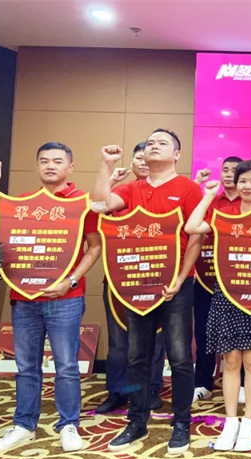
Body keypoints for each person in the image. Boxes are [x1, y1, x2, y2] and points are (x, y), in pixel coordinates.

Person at [0, 143, 101, 453]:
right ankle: (24, 425)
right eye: (44, 161)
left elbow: (95, 246)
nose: (50, 166)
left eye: (57, 161)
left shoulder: (81, 203)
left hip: (66, 297)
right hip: (24, 298)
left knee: (67, 366)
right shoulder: (23, 203)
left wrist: (71, 280)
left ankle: (69, 424)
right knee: (25, 366)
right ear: (36, 167)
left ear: (70, 167)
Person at [92, 129, 203, 454]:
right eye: (150, 142)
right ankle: (136, 422)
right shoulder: (132, 188)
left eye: (162, 143)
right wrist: (105, 165)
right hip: (137, 285)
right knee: (136, 356)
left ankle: (181, 423)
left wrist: (181, 278)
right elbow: (99, 204)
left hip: (176, 286)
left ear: (177, 154)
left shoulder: (188, 188)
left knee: (180, 357)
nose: (154, 146)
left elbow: (196, 237)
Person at [184, 159, 251, 451]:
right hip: (227, 295)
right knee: (230, 361)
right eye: (243, 181)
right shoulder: (224, 216)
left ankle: (248, 422)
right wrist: (208, 196)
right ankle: (231, 422)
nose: (247, 186)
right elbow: (191, 226)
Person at [95, 141, 167, 414]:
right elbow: (97, 206)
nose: (145, 162)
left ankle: (151, 389)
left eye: (149, 157)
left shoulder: (169, 193)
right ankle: (117, 392)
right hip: (119, 279)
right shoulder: (121, 192)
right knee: (119, 341)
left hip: (157, 278)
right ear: (133, 163)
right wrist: (110, 178)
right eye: (139, 157)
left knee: (155, 339)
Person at [191, 155, 243, 405]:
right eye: (225, 169)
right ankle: (203, 382)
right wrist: (202, 192)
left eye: (235, 170)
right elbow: (192, 226)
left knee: (242, 333)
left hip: (240, 280)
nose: (229, 174)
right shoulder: (211, 201)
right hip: (207, 277)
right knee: (203, 331)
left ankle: (242, 383)